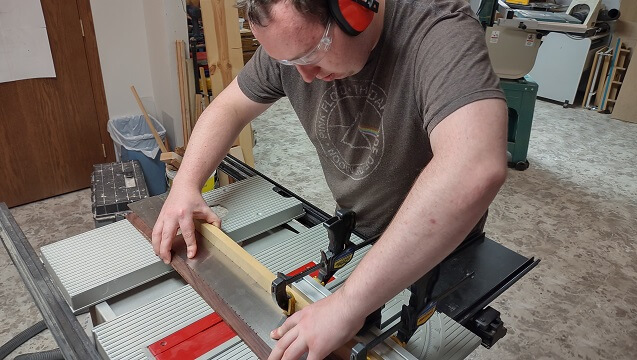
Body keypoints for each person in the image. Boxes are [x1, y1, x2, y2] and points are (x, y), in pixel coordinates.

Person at [152, 0, 508, 358]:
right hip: (358, 231)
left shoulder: (439, 30)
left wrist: (346, 306)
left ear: (356, 9)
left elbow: (473, 167)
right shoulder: (292, 38)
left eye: (310, 54)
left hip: (438, 249)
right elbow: (229, 107)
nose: (303, 75)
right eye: (287, 62)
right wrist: (185, 185)